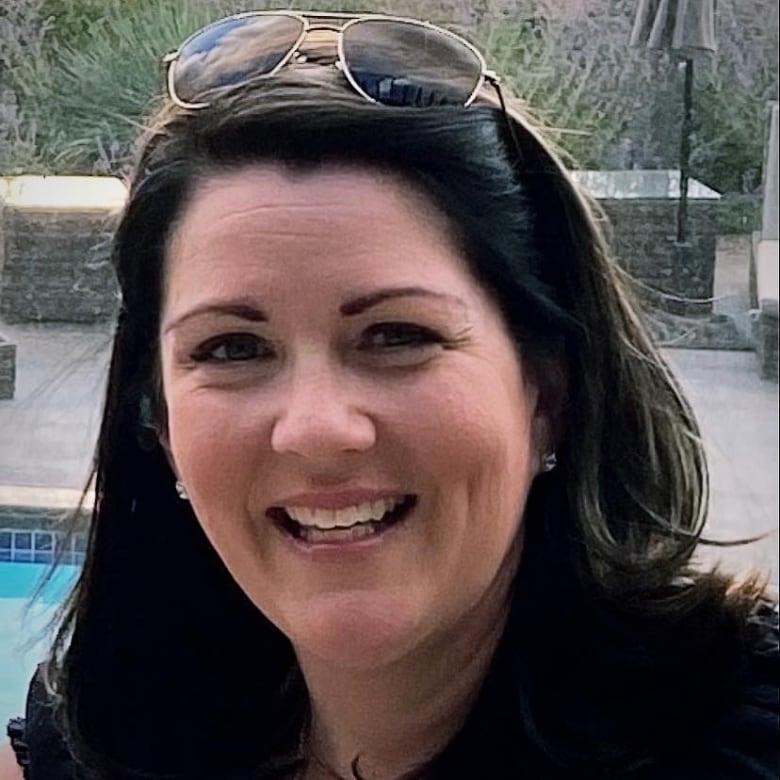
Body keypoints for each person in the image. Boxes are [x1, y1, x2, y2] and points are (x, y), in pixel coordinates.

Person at [2, 10, 778, 780]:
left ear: (547, 393)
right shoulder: (99, 740)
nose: (315, 429)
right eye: (232, 348)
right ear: (162, 424)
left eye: (397, 336)